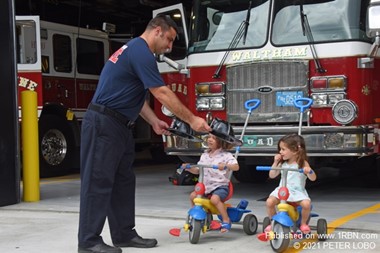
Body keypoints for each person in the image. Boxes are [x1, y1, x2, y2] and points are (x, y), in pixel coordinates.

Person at [78, 15, 211, 253]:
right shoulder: (140, 51)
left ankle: (124, 234)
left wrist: (154, 121)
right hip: (104, 123)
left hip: (119, 125)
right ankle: (88, 242)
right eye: (169, 39)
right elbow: (160, 91)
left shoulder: (136, 51)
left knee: (123, 182)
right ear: (157, 31)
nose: (169, 47)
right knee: (98, 182)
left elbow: (134, 97)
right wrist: (192, 119)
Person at [185, 134, 239, 233]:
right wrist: (189, 168)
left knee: (215, 199)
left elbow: (236, 167)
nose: (210, 140)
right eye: (209, 137)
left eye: (214, 138)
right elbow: (198, 170)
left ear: (221, 141)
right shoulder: (204, 155)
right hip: (205, 186)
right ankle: (195, 215)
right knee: (193, 196)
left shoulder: (226, 155)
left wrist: (226, 165)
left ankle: (226, 220)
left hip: (220, 186)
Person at [265, 134, 317, 234]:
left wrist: (309, 171)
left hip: (297, 192)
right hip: (282, 191)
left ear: (295, 150)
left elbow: (313, 178)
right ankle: (272, 222)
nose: (280, 152)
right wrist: (275, 163)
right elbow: (272, 175)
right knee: (269, 202)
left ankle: (303, 224)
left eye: (283, 149)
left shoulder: (302, 163)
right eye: (280, 149)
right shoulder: (282, 163)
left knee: (307, 204)